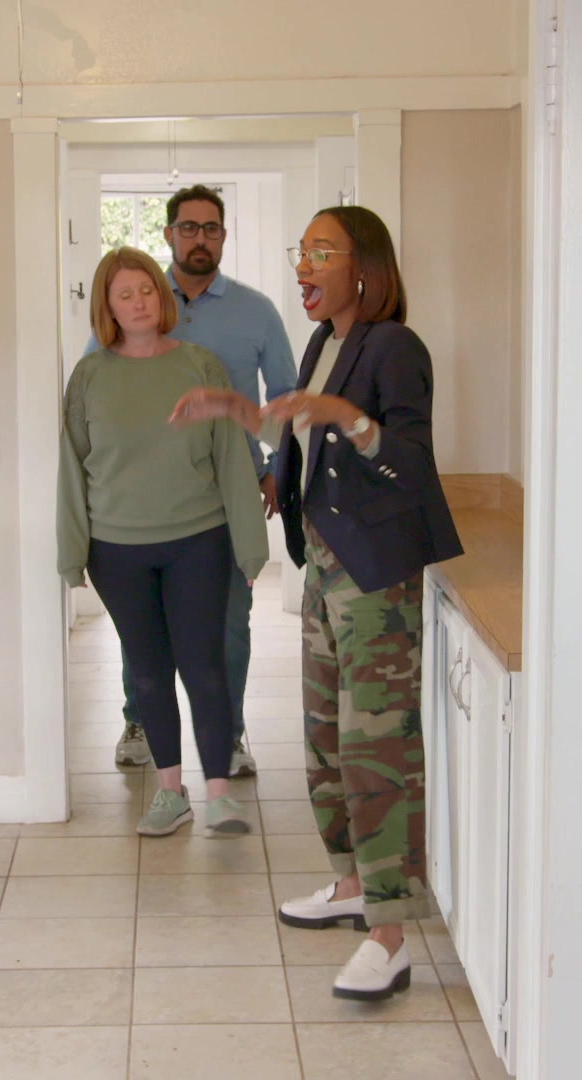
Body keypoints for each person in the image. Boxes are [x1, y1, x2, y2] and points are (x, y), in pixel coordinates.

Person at [169, 206, 463, 998]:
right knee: (326, 737)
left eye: (321, 252)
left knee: (376, 750)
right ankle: (352, 882)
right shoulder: (324, 342)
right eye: (301, 251)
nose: (303, 265)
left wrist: (345, 416)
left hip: (374, 574)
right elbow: (300, 434)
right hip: (325, 566)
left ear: (364, 267)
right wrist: (244, 415)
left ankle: (390, 935)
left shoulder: (394, 346)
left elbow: (408, 463)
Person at [86, 184, 297, 778]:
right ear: (169, 234)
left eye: (210, 228)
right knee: (145, 627)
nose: (199, 238)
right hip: (143, 498)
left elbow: (284, 397)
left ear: (224, 236)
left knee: (228, 624)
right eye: (187, 227)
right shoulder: (135, 300)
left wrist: (276, 468)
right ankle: (139, 721)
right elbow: (97, 384)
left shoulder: (256, 311)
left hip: (227, 496)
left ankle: (227, 734)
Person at [58, 246, 269, 838]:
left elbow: (231, 458)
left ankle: (220, 794)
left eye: (147, 289)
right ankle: (171, 794)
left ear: (162, 295)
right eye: (124, 294)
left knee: (205, 666)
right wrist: (71, 552)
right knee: (148, 671)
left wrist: (250, 544)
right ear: (107, 307)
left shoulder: (200, 366)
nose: (139, 302)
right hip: (116, 549)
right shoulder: (90, 377)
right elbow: (72, 468)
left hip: (198, 540)